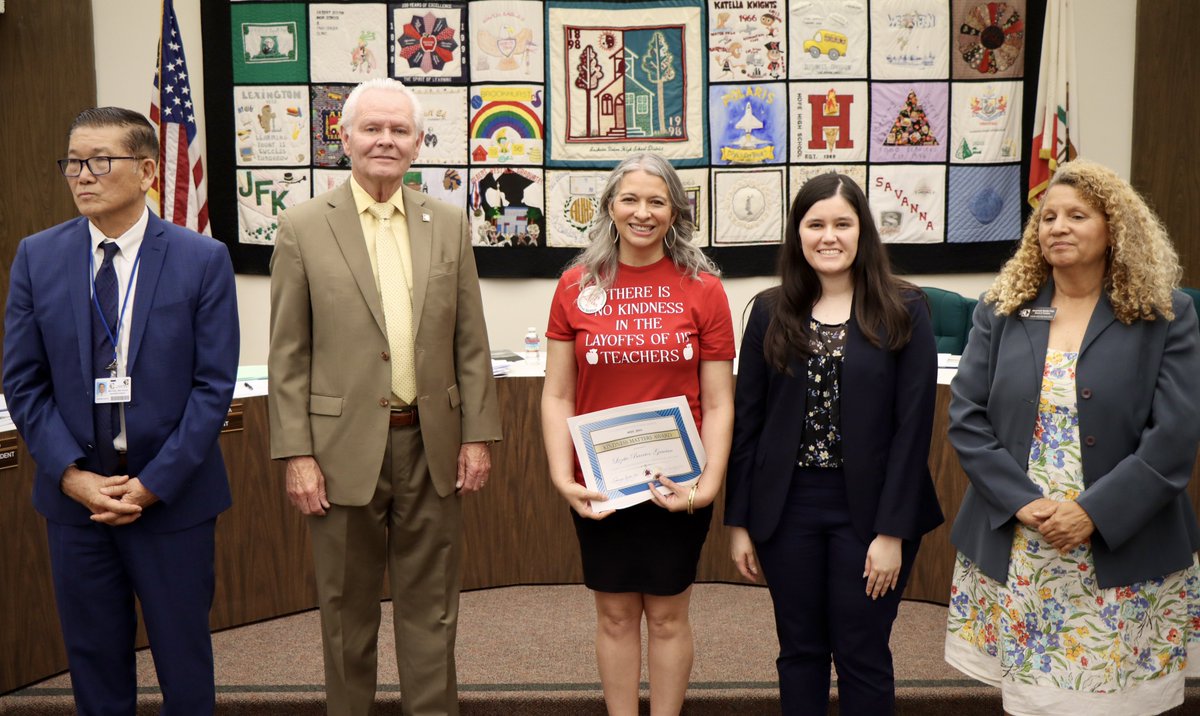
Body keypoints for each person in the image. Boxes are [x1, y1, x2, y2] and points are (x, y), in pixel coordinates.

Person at [268, 77, 501, 716]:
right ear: (343, 138)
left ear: (419, 143)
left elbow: (470, 342)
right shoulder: (303, 226)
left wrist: (477, 436)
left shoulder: (448, 223)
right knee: (346, 611)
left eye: (400, 131)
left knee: (433, 610)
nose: (385, 141)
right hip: (339, 451)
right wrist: (297, 454)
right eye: (372, 128)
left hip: (433, 445)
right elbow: (288, 355)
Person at [2, 107, 239, 714]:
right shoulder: (37, 256)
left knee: (183, 664)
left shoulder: (200, 259)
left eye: (100, 161)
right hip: (76, 505)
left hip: (172, 499)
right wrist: (72, 477)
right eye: (73, 162)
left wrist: (153, 486)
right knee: (94, 663)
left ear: (148, 170)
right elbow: (23, 382)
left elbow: (212, 387)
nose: (83, 175)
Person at [944, 159, 1200, 714]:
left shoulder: (1166, 313)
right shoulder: (1003, 309)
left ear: (1114, 229)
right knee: (1033, 699)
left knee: (1118, 701)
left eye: (1077, 215)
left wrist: (1093, 513)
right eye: (1047, 217)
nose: (1057, 226)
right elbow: (967, 417)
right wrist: (1025, 503)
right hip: (1025, 542)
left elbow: (1174, 436)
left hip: (1123, 544)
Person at [725, 173, 943, 715]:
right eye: (815, 223)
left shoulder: (905, 309)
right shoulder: (770, 311)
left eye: (842, 223)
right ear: (797, 233)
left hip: (871, 513)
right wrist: (738, 522)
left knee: (861, 650)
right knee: (799, 650)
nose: (829, 235)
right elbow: (747, 424)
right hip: (787, 508)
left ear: (862, 231)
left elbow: (913, 428)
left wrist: (891, 532)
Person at [540, 152, 735, 716]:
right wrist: (561, 475)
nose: (642, 212)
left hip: (680, 484)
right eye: (629, 199)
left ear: (675, 211)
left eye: (657, 201)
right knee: (616, 615)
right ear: (609, 207)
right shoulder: (576, 285)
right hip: (601, 486)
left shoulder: (703, 289)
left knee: (670, 616)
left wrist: (707, 485)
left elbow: (721, 402)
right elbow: (556, 394)